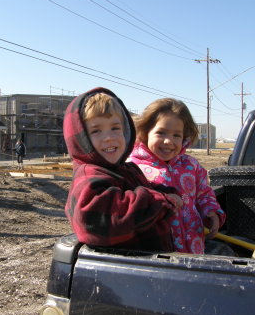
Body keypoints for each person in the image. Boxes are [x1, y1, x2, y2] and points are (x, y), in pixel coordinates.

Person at [63, 87, 182, 251]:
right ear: (80, 139)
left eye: (115, 128)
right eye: (96, 130)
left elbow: (147, 189)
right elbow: (101, 220)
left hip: (151, 263)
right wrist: (161, 201)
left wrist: (167, 192)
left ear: (126, 130)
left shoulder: (127, 169)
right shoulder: (89, 177)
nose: (109, 137)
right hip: (130, 270)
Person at [130, 98, 226, 254]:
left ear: (185, 137)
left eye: (176, 135)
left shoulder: (191, 166)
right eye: (161, 133)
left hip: (194, 248)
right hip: (157, 253)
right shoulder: (133, 167)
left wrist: (211, 212)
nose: (169, 141)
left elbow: (203, 194)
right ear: (145, 132)